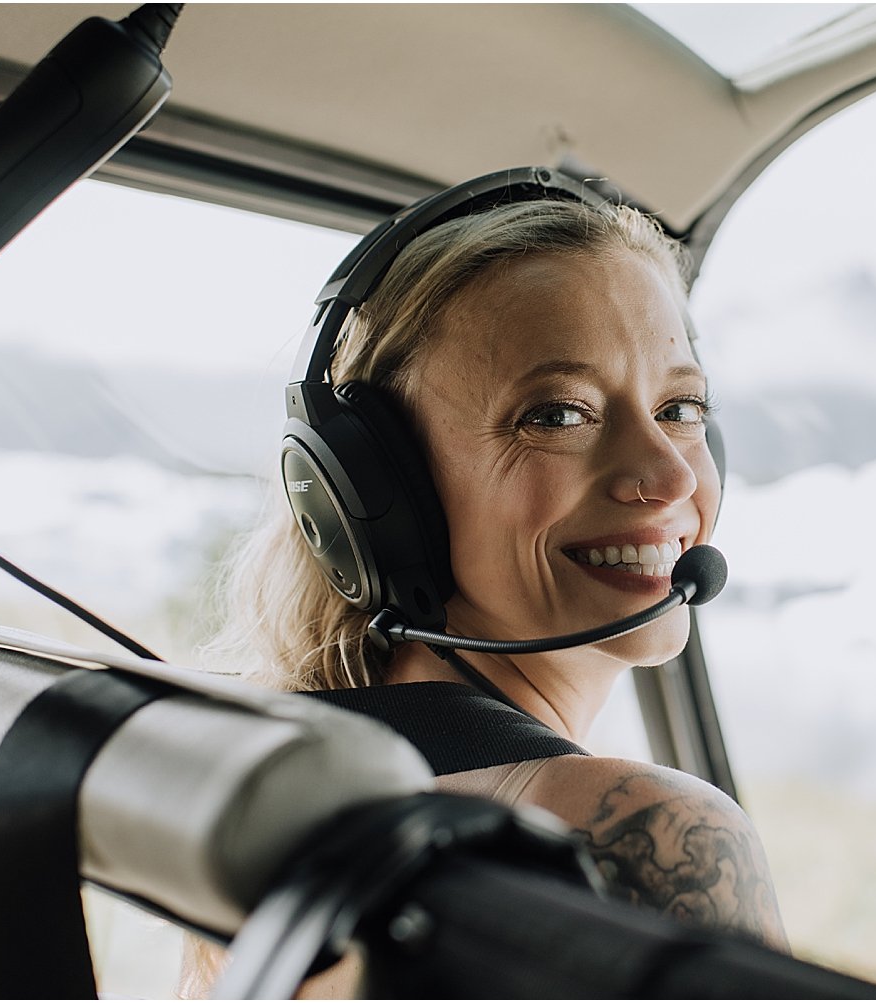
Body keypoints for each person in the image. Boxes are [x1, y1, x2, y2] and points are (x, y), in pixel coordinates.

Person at [181, 194, 786, 997]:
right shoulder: (646, 832)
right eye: (558, 413)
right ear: (381, 493)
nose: (673, 473)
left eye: (680, 407)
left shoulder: (286, 790)